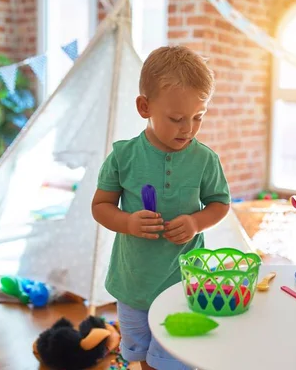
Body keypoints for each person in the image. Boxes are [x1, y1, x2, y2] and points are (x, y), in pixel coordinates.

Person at [92, 46, 230, 370]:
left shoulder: (205, 160)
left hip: (182, 285)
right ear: (145, 107)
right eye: (177, 119)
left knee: (172, 361)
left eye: (198, 117)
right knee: (140, 356)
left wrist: (196, 222)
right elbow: (100, 206)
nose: (188, 129)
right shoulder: (123, 157)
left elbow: (219, 204)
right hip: (132, 284)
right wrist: (127, 223)